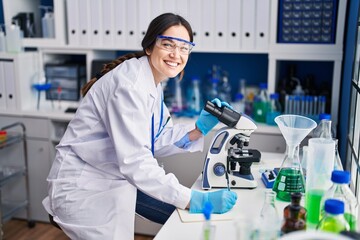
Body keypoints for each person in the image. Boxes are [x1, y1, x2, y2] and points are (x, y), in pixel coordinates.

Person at [42, 13, 237, 239]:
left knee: (182, 217)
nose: (176, 54)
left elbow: (153, 139)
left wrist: (198, 129)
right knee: (186, 211)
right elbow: (136, 160)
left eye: (185, 48)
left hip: (113, 178)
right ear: (149, 47)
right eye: (168, 45)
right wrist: (194, 198)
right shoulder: (129, 85)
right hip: (85, 188)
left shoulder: (151, 81)